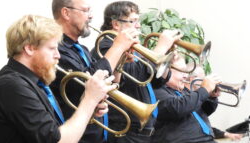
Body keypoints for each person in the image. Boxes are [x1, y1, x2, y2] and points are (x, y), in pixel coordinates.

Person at [0, 15, 116, 143]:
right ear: (29, 48)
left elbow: (54, 131)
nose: (58, 55)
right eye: (52, 48)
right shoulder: (12, 86)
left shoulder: (32, 82)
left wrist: (88, 109)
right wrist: (90, 100)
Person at [90, 1, 182, 143]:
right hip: (124, 130)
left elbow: (153, 81)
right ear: (115, 24)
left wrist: (166, 61)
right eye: (133, 21)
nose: (138, 25)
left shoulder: (132, 46)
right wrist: (160, 48)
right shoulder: (106, 47)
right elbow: (135, 76)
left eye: (138, 21)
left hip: (142, 130)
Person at [51, 0, 140, 142]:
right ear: (66, 13)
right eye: (86, 11)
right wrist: (118, 47)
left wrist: (121, 58)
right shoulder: (57, 51)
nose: (91, 16)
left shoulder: (82, 50)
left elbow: (111, 80)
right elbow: (89, 82)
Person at [151, 55, 221, 143]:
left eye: (186, 72)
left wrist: (212, 97)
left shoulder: (184, 91)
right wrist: (204, 90)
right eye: (182, 71)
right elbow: (177, 108)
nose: (186, 76)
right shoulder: (157, 90)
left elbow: (205, 111)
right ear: (166, 70)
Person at [187, 65, 244, 141]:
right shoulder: (185, 99)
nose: (205, 82)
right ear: (192, 78)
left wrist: (213, 97)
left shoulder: (198, 96)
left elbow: (204, 117)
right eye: (203, 79)